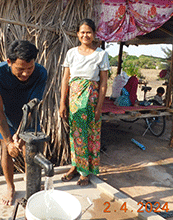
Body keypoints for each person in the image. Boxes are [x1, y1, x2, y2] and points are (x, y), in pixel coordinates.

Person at [0, 40, 47, 205]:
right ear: (9, 62)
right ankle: (10, 187)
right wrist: (9, 141)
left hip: (29, 115)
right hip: (6, 116)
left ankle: (31, 181)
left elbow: (32, 106)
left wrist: (20, 136)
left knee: (31, 149)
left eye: (29, 68)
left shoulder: (41, 73)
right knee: (7, 151)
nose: (26, 74)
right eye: (20, 69)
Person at [59, 18, 110, 186]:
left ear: (94, 34)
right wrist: (62, 103)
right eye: (82, 32)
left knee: (89, 135)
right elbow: (66, 79)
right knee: (75, 135)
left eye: (88, 32)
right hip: (74, 99)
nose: (85, 35)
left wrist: (99, 107)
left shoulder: (101, 54)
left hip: (92, 98)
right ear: (78, 34)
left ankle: (85, 172)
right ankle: (75, 167)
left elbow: (103, 83)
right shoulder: (71, 53)